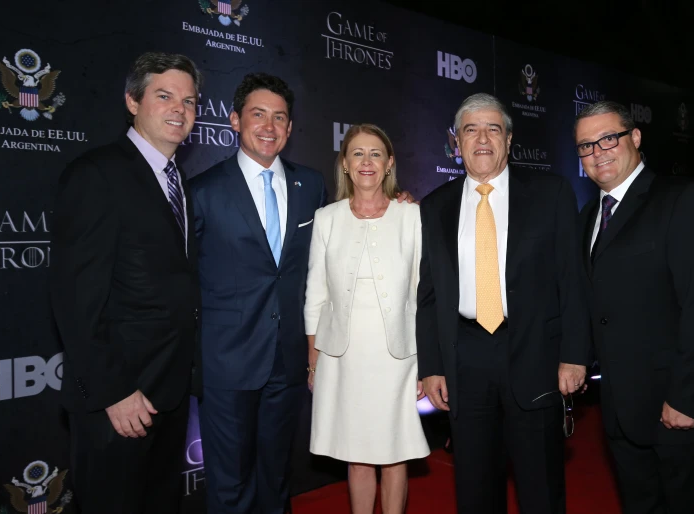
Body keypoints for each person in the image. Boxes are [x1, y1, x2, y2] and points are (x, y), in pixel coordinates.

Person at [190, 75, 415, 514]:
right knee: (229, 484)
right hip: (227, 362)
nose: (269, 126)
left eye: (280, 117)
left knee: (276, 478)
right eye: (258, 114)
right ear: (235, 120)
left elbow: (328, 266)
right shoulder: (202, 190)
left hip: (286, 361)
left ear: (291, 129)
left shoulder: (310, 187)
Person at [416, 93, 591, 514]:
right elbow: (428, 294)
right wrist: (432, 366)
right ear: (455, 141)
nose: (482, 138)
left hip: (535, 352)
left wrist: (575, 355)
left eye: (493, 128)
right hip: (466, 358)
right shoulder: (434, 206)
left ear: (509, 140)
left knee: (541, 484)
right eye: (470, 129)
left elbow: (573, 279)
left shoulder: (551, 193)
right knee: (474, 485)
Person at [50, 51, 203, 514]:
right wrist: (114, 390)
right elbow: (75, 298)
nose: (180, 109)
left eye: (190, 101)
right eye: (165, 96)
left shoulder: (178, 183)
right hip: (118, 398)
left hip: (169, 392)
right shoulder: (96, 174)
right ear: (132, 101)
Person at [575, 100, 694, 514]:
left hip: (678, 409)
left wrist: (687, 399)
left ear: (636, 138)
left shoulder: (684, 199)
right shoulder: (589, 214)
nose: (598, 152)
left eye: (608, 138)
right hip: (623, 413)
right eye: (586, 146)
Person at [304, 124, 430, 514]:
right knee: (355, 453)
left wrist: (426, 363)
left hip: (397, 357)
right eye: (357, 153)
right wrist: (314, 358)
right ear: (344, 163)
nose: (367, 162)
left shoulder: (412, 216)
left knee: (395, 452)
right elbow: (315, 294)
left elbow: (421, 294)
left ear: (389, 162)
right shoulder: (326, 218)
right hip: (343, 357)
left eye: (376, 153)